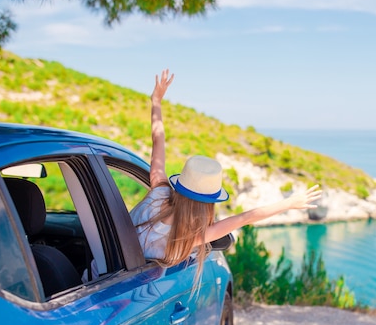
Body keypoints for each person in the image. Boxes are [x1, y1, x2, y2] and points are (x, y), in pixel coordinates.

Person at [130, 69, 322, 286]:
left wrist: (156, 101)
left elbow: (158, 142)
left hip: (95, 272)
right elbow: (245, 218)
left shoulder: (159, 192)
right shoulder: (188, 238)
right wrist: (289, 203)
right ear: (208, 204)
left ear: (181, 183)